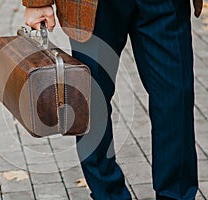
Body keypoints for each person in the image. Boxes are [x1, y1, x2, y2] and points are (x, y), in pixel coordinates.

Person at [22, 0, 203, 199]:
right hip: (92, 6)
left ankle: (176, 195)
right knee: (91, 102)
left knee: (176, 97)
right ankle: (108, 194)